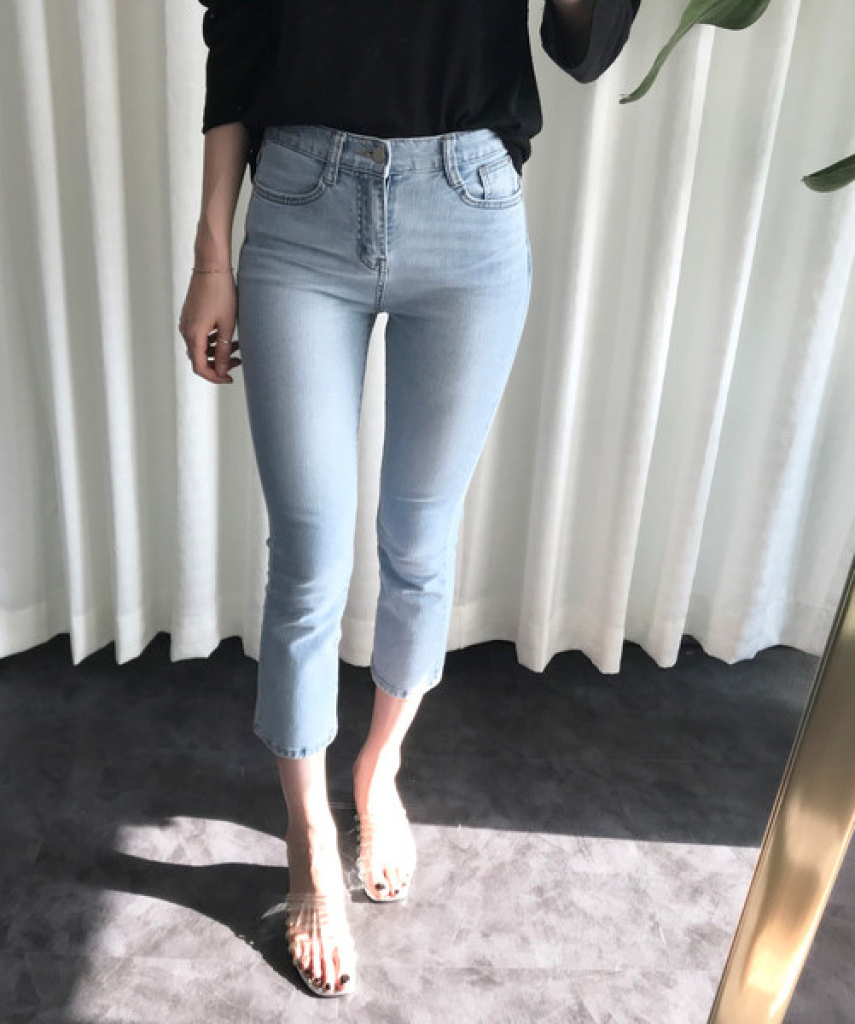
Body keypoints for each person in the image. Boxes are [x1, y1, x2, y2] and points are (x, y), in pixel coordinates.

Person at [179, 0, 640, 998]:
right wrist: (211, 256)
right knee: (309, 557)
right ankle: (308, 837)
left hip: (468, 205)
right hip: (301, 204)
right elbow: (237, 45)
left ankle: (377, 767)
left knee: (419, 542)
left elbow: (582, 44)